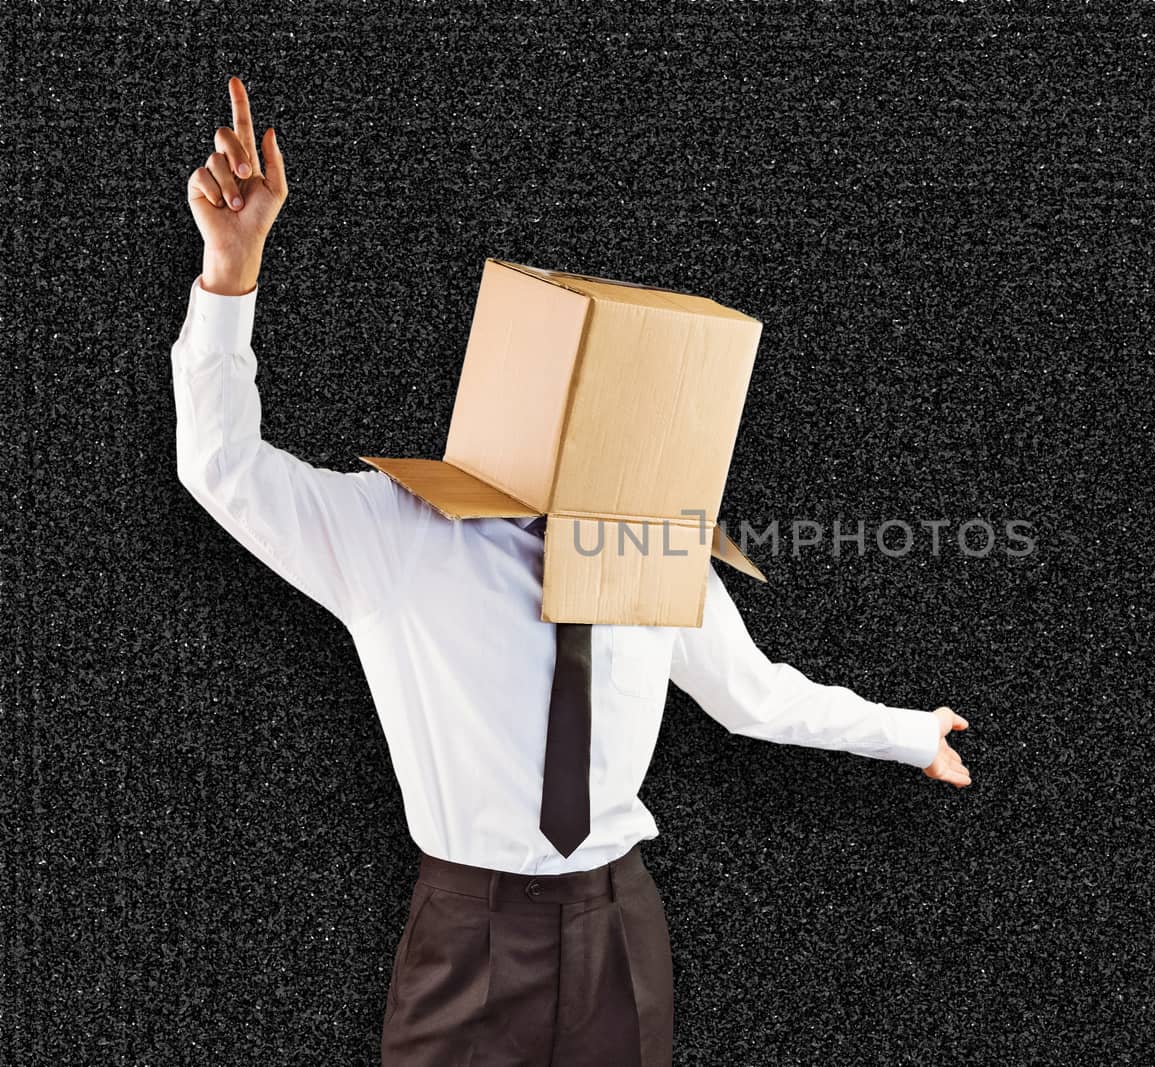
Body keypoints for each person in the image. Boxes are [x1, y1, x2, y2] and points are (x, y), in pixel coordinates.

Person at [175, 76, 972, 1067]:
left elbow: (751, 694)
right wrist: (230, 271)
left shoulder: (648, 542)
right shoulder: (397, 534)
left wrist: (904, 732)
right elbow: (223, 470)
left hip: (618, 923)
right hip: (468, 935)